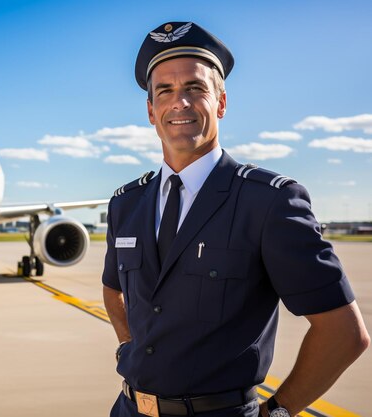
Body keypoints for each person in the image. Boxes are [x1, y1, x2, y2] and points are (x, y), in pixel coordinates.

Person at [102, 21, 369, 417]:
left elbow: (344, 334)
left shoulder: (268, 202)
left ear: (221, 103)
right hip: (128, 410)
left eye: (195, 88)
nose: (180, 103)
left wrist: (277, 411)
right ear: (151, 110)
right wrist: (128, 345)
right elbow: (113, 290)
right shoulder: (127, 203)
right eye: (166, 91)